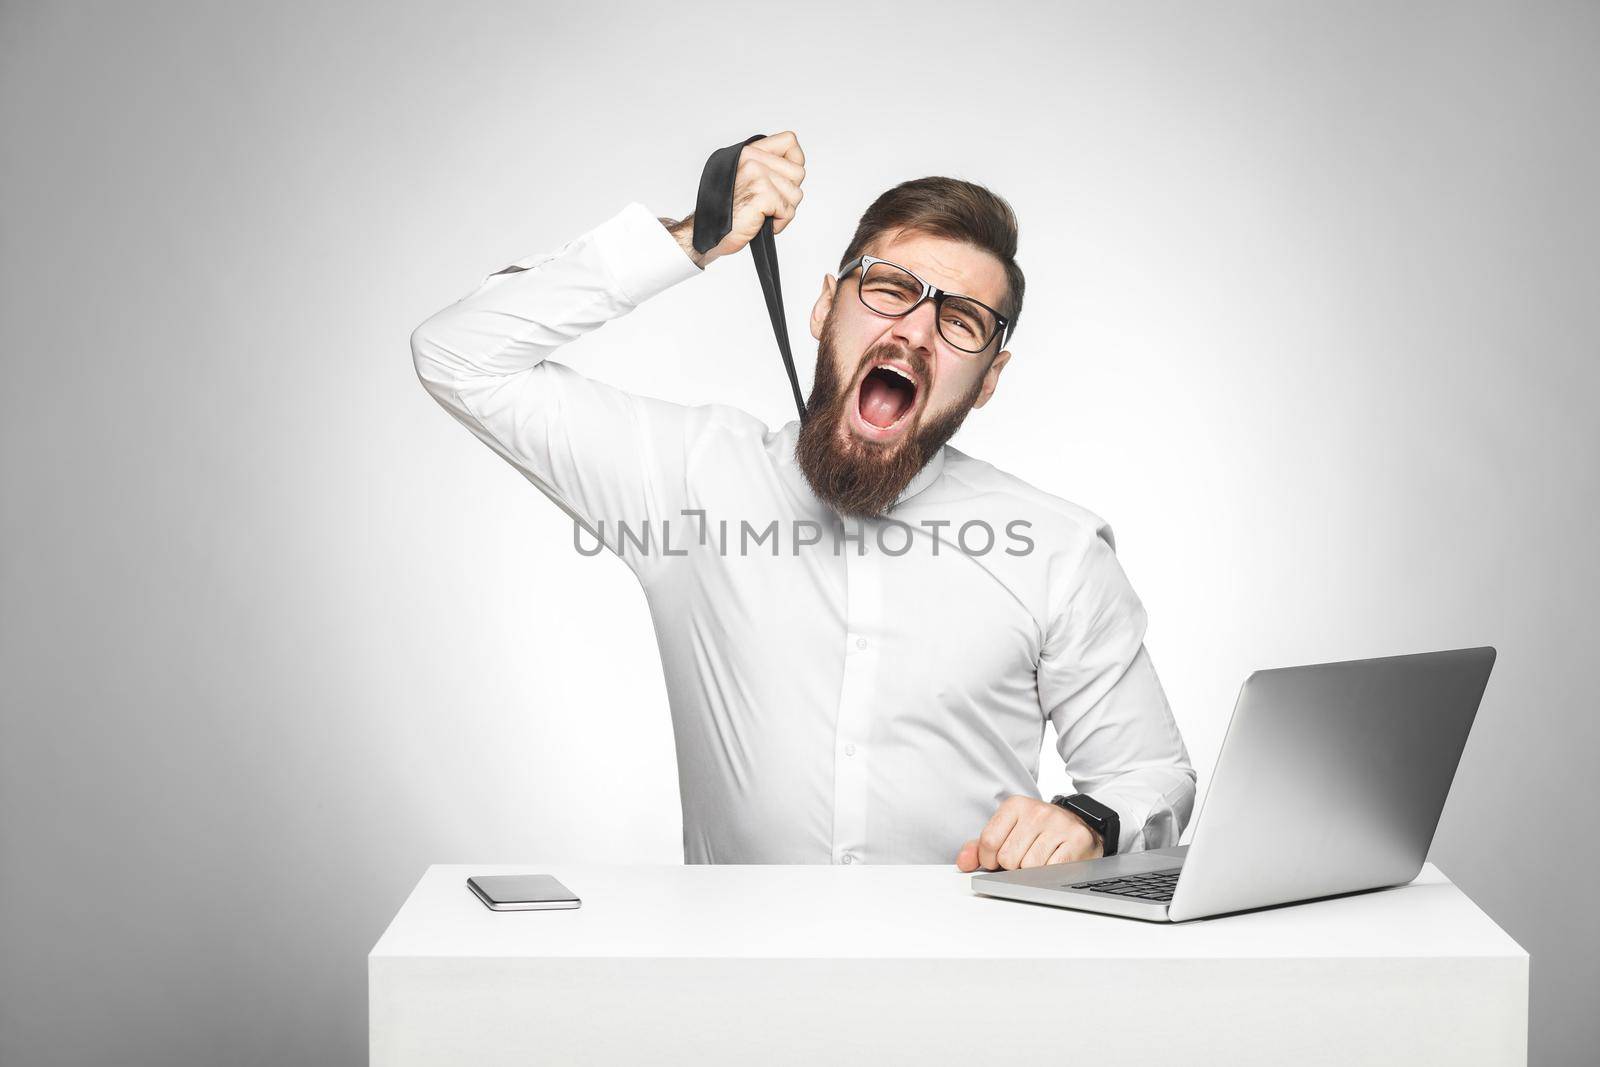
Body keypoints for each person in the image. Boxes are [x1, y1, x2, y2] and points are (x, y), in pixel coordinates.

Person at [411, 131, 1195, 872]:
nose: (917, 332)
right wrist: (694, 236)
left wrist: (1090, 822)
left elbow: (1152, 775)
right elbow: (458, 355)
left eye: (960, 321)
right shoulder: (688, 483)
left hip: (967, 992)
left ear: (989, 378)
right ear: (824, 308)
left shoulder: (1055, 549)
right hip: (734, 998)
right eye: (889, 288)